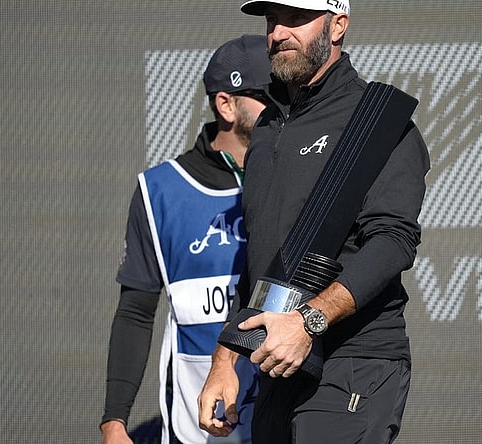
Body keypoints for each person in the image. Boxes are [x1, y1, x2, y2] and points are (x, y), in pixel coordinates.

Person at [197, 2, 430, 443]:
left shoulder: (380, 120)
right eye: (271, 21)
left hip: (355, 361)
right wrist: (225, 360)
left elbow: (393, 241)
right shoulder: (265, 126)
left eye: (296, 19)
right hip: (277, 364)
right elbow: (265, 259)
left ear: (338, 25)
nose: (279, 33)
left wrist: (309, 322)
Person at [101, 34, 272, 444]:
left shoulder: (296, 181)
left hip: (283, 417)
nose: (281, 106)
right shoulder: (159, 191)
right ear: (226, 104)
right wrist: (114, 421)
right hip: (198, 426)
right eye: (267, 95)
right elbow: (136, 312)